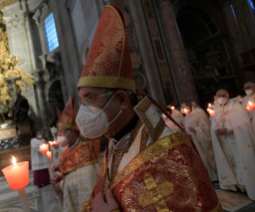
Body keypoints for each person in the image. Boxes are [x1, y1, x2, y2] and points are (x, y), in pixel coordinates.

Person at [76, 5, 221, 212]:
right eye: (82, 101)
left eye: (90, 99)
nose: (84, 111)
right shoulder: (112, 145)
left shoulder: (167, 149)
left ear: (121, 100)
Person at [51, 94, 100, 212]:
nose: (60, 136)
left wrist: (62, 186)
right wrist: (61, 176)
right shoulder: (69, 149)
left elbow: (86, 182)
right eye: (59, 132)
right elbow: (71, 173)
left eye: (62, 132)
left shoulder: (85, 153)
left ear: (72, 131)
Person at [210, 89, 255, 200]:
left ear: (228, 95)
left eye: (223, 95)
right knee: (229, 162)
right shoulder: (216, 109)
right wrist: (215, 130)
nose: (221, 97)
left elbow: (244, 123)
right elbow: (212, 125)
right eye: (219, 95)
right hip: (224, 142)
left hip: (236, 141)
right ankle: (235, 185)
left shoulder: (236, 106)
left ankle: (245, 185)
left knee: (241, 162)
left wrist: (228, 129)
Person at [181, 102, 217, 181]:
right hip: (192, 142)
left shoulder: (197, 115)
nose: (182, 109)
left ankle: (212, 177)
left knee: (204, 157)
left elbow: (205, 127)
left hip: (199, 141)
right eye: (181, 107)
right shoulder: (185, 118)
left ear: (189, 107)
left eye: (184, 107)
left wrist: (196, 129)